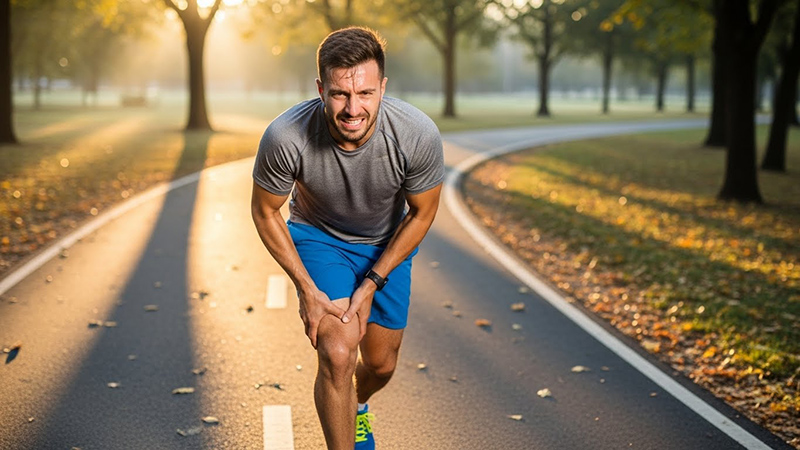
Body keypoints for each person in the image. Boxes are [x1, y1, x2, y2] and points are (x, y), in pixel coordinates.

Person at [250, 27, 444, 450]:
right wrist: (306, 288)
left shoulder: (416, 134)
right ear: (321, 88)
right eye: (339, 94)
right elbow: (265, 211)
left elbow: (423, 212)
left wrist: (374, 281)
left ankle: (357, 405)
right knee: (339, 351)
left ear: (383, 88)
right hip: (320, 238)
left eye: (366, 94)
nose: (353, 109)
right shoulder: (286, 136)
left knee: (379, 365)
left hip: (387, 244)